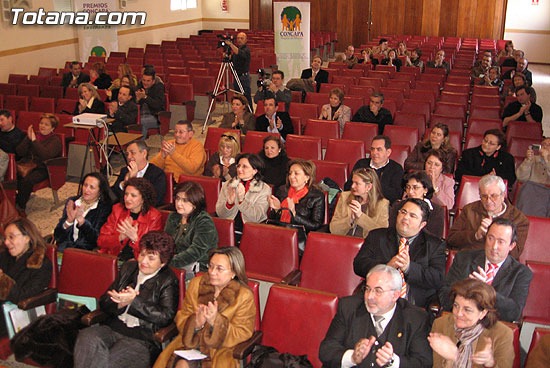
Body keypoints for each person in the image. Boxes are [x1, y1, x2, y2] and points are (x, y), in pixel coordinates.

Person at [74, 231, 179, 368]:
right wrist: (118, 303)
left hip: (141, 339)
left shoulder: (168, 280)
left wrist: (133, 302)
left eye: (151, 258)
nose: (143, 261)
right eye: (142, 254)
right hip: (112, 328)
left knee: (107, 363)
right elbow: (104, 301)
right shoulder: (129, 268)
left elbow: (166, 316)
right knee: (86, 339)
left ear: (163, 262)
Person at [153, 247, 255, 368]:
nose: (212, 272)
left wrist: (216, 322)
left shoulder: (244, 296)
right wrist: (196, 323)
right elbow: (182, 315)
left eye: (219, 269)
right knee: (182, 365)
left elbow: (242, 332)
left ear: (233, 273)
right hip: (190, 343)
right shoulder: (196, 284)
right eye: (210, 266)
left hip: (221, 349)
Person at [319, 264, 433, 368]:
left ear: (395, 295)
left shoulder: (416, 318)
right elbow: (326, 351)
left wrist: (394, 362)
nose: (369, 296)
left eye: (378, 291)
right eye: (368, 289)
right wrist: (352, 357)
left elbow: (423, 363)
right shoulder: (349, 308)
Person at [354, 198, 446, 308]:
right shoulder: (377, 236)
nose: (405, 217)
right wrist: (386, 266)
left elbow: (437, 279)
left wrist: (408, 268)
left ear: (422, 224)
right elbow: (359, 265)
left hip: (412, 304)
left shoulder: (434, 245)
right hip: (376, 300)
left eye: (412, 216)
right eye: (403, 212)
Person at [440, 219, 533, 322]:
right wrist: (469, 288)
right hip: (459, 320)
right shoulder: (464, 259)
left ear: (511, 246)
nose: (494, 246)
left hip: (494, 328)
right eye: (490, 238)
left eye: (501, 242)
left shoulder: (521, 273)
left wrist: (487, 291)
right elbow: (444, 296)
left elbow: (514, 312)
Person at [429, 279, 514, 368]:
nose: (459, 314)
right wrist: (451, 360)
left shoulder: (502, 334)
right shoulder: (441, 324)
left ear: (483, 313)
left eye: (467, 310)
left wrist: (491, 364)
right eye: (456, 306)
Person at [447, 175, 529, 259]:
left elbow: (515, 253)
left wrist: (494, 237)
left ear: (503, 195)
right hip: (470, 261)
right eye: (484, 196)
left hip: (499, 267)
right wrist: (475, 235)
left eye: (493, 196)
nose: (488, 201)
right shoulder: (469, 210)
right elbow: (451, 239)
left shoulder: (519, 219)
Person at [0, 218, 52, 337]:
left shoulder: (39, 264)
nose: (7, 242)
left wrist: (2, 279)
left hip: (15, 313)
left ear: (27, 238)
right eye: (6, 238)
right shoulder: (5, 256)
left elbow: (22, 296)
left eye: (11, 237)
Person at [98, 178, 163, 261]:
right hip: (113, 258)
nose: (127, 199)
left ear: (143, 198)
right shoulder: (118, 209)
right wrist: (120, 237)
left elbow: (153, 252)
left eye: (133, 195)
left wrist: (135, 239)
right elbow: (101, 241)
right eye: (126, 194)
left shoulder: (154, 216)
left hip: (138, 261)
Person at [268, 159, 325, 251]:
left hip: (300, 240)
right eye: (290, 173)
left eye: (296, 173)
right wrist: (277, 209)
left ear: (307, 177)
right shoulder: (282, 190)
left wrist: (294, 214)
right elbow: (273, 220)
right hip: (279, 234)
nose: (291, 176)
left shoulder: (317, 196)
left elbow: (316, 226)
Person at [164, 181, 218, 278]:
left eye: (185, 200)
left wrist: (167, 262)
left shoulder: (204, 221)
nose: (179, 203)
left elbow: (196, 252)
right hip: (172, 264)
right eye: (177, 198)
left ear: (195, 203)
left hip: (198, 268)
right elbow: (165, 243)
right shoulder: (173, 217)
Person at [15, 113, 62, 212]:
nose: (42, 126)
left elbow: (46, 156)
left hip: (43, 168)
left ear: (52, 128)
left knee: (26, 181)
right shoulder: (33, 136)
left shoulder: (55, 140)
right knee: (8, 174)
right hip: (26, 165)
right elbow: (19, 152)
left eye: (46, 124)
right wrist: (28, 139)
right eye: (41, 123)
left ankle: (20, 207)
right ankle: (12, 200)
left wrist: (34, 141)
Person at [54, 172, 112, 252]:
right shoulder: (73, 202)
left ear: (100, 191)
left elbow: (97, 240)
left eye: (92, 187)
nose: (86, 189)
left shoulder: (104, 208)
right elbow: (58, 236)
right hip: (65, 249)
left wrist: (83, 222)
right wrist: (68, 222)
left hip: (86, 252)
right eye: (85, 185)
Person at [216, 153, 271, 237]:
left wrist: (242, 201)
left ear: (255, 170)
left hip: (252, 232)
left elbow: (257, 217)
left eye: (244, 166)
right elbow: (220, 214)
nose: (239, 169)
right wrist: (229, 204)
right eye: (238, 166)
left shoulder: (264, 189)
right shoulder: (229, 185)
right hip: (228, 229)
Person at [330, 168, 389, 238]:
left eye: (357, 183)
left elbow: (382, 234)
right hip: (344, 242)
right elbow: (333, 229)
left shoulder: (382, 204)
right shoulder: (344, 197)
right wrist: (350, 220)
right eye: (353, 182)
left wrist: (360, 216)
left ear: (369, 187)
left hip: (367, 245)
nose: (352, 186)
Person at [345, 135, 404, 205]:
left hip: (382, 206)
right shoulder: (361, 164)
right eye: (372, 149)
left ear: (388, 152)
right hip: (359, 202)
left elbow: (396, 195)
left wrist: (372, 183)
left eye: (379, 149)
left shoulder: (396, 168)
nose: (374, 153)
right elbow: (348, 186)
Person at [389, 171, 446, 238]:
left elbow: (435, 237)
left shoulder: (437, 211)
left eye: (415, 187)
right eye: (408, 187)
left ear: (425, 190)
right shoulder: (398, 206)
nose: (410, 191)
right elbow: (391, 231)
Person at [112, 141, 166, 206]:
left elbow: (155, 199)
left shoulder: (157, 173)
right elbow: (113, 195)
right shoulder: (125, 170)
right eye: (127, 154)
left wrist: (132, 181)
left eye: (132, 153)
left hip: (145, 211)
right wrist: (124, 183)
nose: (129, 157)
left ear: (144, 153)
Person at [136, 66, 166, 138]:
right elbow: (134, 103)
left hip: (155, 116)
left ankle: (139, 146)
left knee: (142, 122)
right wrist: (137, 100)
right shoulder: (140, 86)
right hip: (140, 114)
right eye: (144, 80)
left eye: (148, 81)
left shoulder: (159, 87)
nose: (145, 83)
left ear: (153, 81)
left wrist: (145, 97)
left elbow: (157, 105)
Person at [227, 32, 252, 107]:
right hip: (236, 76)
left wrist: (231, 44)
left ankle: (249, 113)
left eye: (242, 38)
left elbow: (240, 54)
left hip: (243, 77)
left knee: (246, 97)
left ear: (246, 40)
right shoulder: (235, 51)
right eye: (238, 38)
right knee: (238, 97)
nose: (239, 40)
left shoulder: (246, 50)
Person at [0, 110, 26, 179]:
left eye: (2, 120)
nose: (0, 123)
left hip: (8, 160)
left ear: (10, 119)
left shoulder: (20, 134)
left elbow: (14, 151)